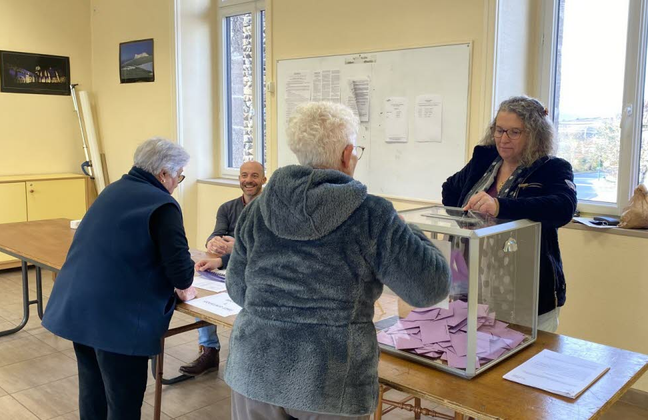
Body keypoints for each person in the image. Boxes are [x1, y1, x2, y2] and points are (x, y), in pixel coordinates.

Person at [224, 102, 451, 419]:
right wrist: (407, 229)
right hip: (332, 380)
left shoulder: (256, 210)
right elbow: (430, 288)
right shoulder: (373, 214)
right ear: (347, 155)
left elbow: (238, 290)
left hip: (255, 368)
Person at [42, 138, 194, 420]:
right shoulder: (163, 204)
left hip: (79, 308)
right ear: (163, 174)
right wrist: (185, 287)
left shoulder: (112, 190)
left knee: (93, 391)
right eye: (179, 176)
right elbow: (181, 272)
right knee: (123, 401)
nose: (177, 182)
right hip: (119, 320)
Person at [442, 95, 577, 333]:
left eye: (514, 132)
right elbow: (450, 189)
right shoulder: (484, 160)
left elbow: (563, 207)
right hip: (472, 289)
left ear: (534, 134)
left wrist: (500, 207)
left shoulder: (553, 168)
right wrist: (466, 222)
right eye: (499, 130)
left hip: (526, 292)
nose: (503, 139)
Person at [180, 160, 267, 377]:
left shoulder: (270, 210)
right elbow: (216, 234)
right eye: (244, 175)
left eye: (254, 176)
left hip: (258, 273)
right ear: (239, 178)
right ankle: (209, 350)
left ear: (264, 180)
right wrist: (213, 244)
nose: (248, 180)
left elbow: (267, 250)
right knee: (199, 293)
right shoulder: (227, 208)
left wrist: (236, 247)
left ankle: (251, 358)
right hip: (229, 266)